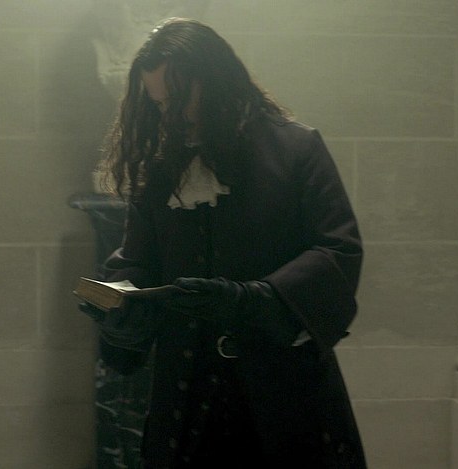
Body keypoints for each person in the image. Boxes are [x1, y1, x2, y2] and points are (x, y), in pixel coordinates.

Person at [79, 17, 366, 468]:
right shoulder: (161, 164)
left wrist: (253, 300)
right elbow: (137, 258)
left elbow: (338, 249)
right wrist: (120, 303)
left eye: (177, 100)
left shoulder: (295, 148)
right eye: (159, 103)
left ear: (212, 80)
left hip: (282, 393)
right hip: (186, 395)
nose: (168, 114)